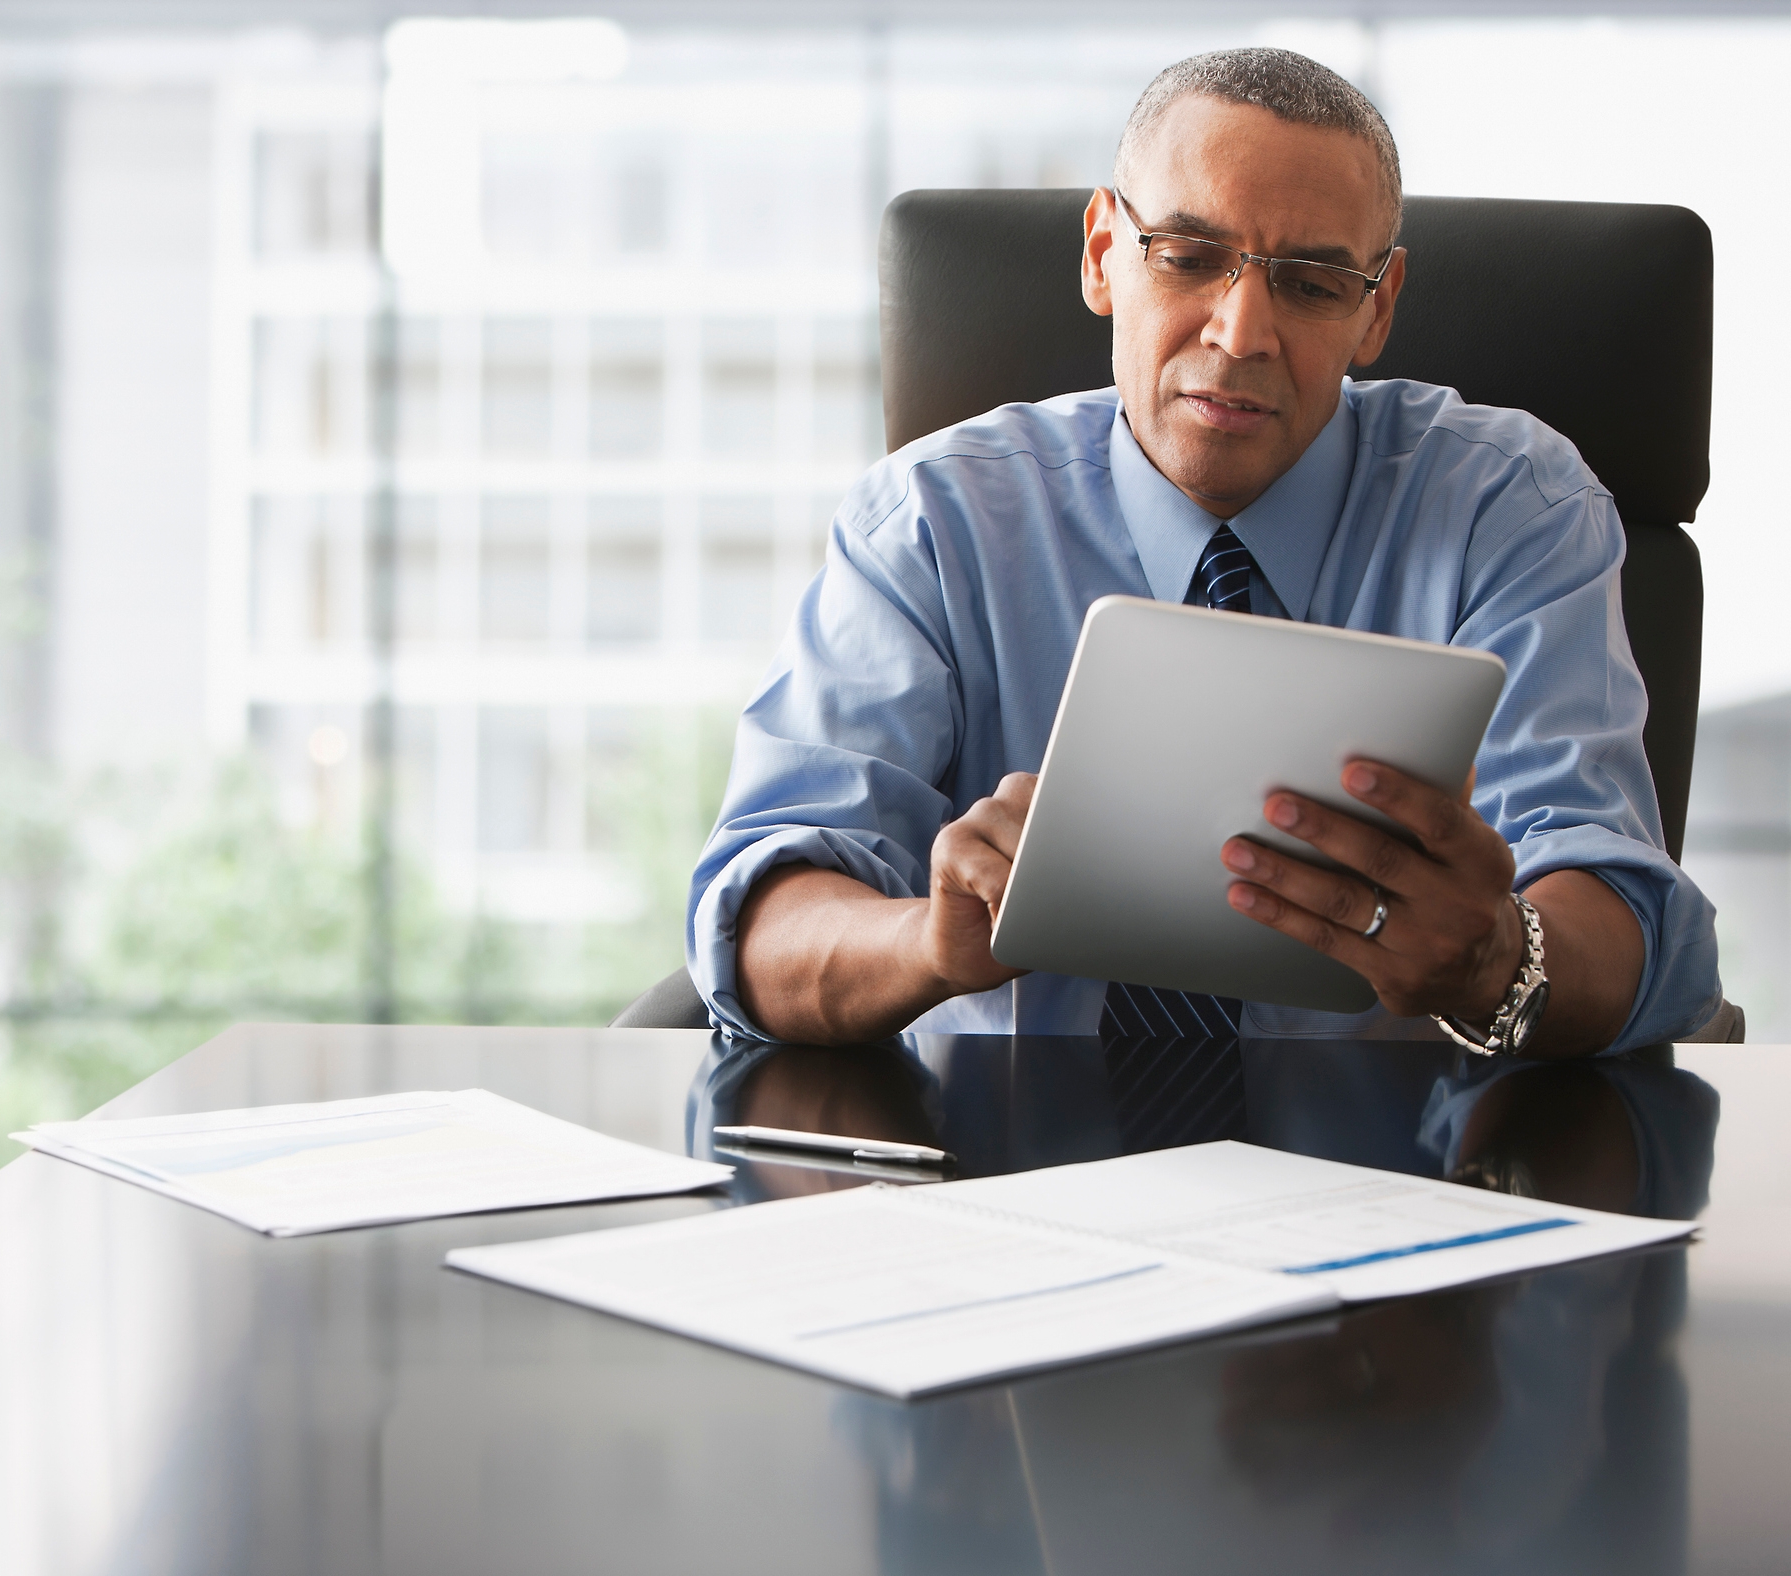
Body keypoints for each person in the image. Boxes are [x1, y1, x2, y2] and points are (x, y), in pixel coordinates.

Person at [686, 47, 1722, 1054]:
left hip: (1400, 1170)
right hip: (1007, 1162)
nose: (1240, 333)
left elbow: (1620, 915)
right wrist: (928, 942)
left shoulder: (1510, 504)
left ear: (1379, 309)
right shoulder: (930, 516)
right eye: (1187, 257)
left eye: (1313, 283)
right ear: (1103, 254)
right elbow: (762, 926)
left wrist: (1498, 955)